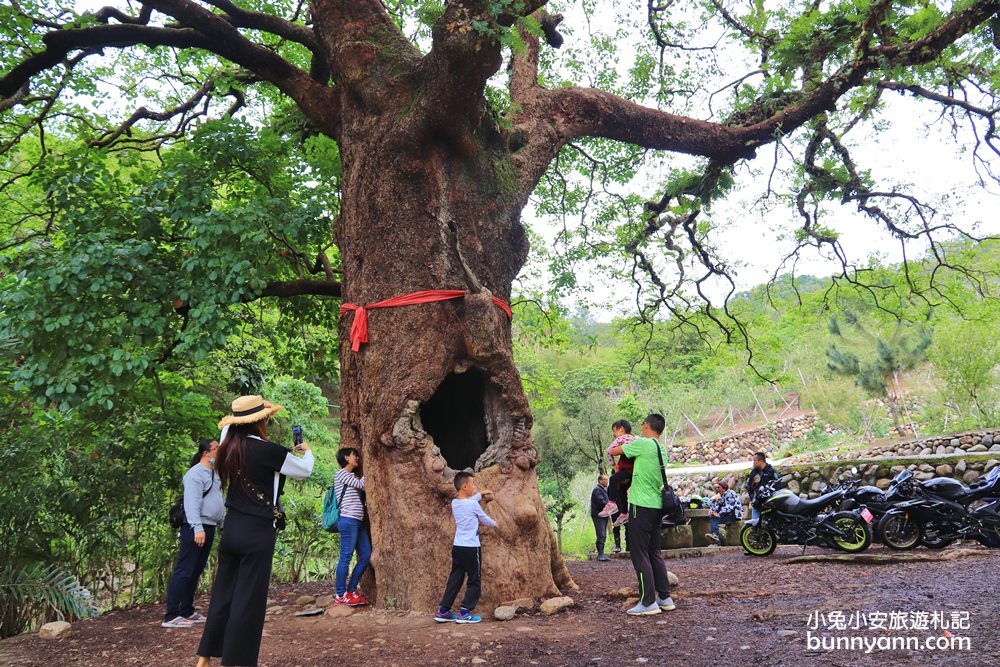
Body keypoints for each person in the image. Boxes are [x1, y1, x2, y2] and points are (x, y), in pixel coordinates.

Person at [196, 395, 314, 667]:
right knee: (248, 600)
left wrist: (243, 418)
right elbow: (304, 471)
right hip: (257, 532)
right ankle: (237, 662)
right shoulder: (269, 450)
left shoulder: (226, 447)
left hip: (232, 528)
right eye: (266, 417)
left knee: (223, 595)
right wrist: (306, 450)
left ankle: (204, 658)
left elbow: (228, 429)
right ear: (261, 420)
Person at [608, 414, 676, 616]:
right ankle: (665, 597)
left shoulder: (643, 444)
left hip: (640, 504)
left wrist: (622, 441)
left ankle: (648, 602)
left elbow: (613, 450)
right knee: (654, 552)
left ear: (646, 425)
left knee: (639, 553)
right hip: (657, 506)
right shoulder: (661, 449)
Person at [162, 439, 224, 628]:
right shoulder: (195, 474)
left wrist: (222, 523)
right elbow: (191, 502)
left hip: (210, 525)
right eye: (216, 449)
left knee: (196, 569)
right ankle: (171, 615)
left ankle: (186, 610)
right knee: (185, 569)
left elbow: (218, 499)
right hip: (196, 528)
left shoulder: (214, 473)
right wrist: (197, 527)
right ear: (206, 453)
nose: (219, 451)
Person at [435, 471, 496, 624]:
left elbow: (469, 502)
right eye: (472, 484)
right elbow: (484, 518)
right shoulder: (473, 504)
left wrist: (480, 494)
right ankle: (465, 612)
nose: (474, 487)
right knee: (474, 579)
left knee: (455, 578)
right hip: (471, 547)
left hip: (458, 547)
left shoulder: (455, 503)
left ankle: (443, 610)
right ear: (464, 487)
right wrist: (496, 524)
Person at [333, 447, 370, 606]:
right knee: (345, 558)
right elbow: (362, 485)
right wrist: (370, 469)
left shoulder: (351, 475)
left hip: (357, 521)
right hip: (348, 520)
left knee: (366, 555)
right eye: (355, 455)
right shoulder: (341, 473)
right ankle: (341, 594)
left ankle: (351, 590)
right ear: (346, 457)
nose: (358, 458)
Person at [597, 420, 635, 528]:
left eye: (614, 431)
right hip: (633, 472)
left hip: (626, 469)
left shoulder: (621, 438)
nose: (613, 434)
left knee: (613, 479)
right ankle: (624, 513)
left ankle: (612, 503)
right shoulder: (634, 439)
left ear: (621, 429)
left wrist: (614, 465)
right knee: (622, 489)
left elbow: (609, 451)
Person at [705, 480, 741, 545]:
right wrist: (712, 510)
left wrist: (719, 514)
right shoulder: (720, 495)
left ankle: (716, 538)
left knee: (714, 517)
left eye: (719, 487)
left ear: (724, 488)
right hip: (727, 514)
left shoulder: (730, 493)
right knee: (712, 515)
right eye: (717, 487)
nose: (717, 489)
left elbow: (730, 507)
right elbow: (717, 505)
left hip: (734, 514)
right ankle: (716, 538)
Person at [746, 452, 778, 521]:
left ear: (761, 461)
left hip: (769, 504)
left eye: (754, 460)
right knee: (754, 525)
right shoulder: (753, 472)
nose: (753, 463)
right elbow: (749, 487)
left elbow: (778, 484)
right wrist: (753, 498)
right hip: (757, 504)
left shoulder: (771, 470)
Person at [590, 474, 612, 561]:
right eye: (605, 480)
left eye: (607, 480)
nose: (607, 482)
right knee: (601, 534)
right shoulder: (597, 490)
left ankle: (601, 554)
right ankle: (600, 555)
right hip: (598, 515)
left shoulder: (603, 490)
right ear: (600, 481)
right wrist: (610, 505)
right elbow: (601, 501)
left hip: (604, 515)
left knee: (603, 534)